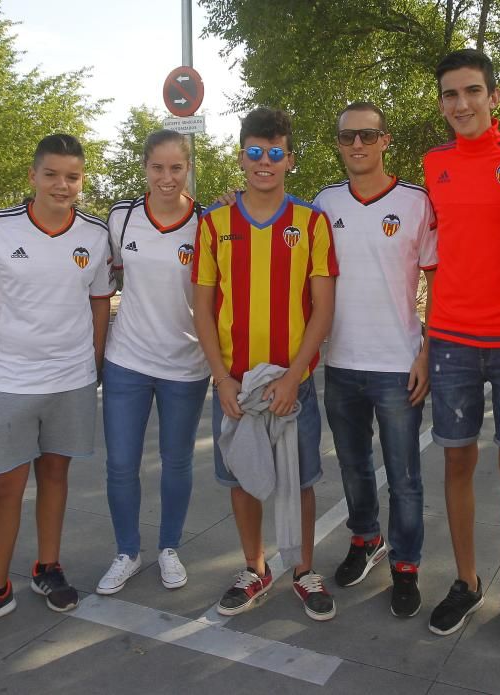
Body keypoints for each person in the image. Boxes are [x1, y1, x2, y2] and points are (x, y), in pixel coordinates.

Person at [0, 134, 114, 642]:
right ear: (34, 176)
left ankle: (48, 567)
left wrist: (97, 361)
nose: (63, 185)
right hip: (14, 382)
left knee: (55, 476)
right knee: (6, 487)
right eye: (53, 174)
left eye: (73, 176)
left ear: (82, 180)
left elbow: (100, 301)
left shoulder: (95, 234)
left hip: (72, 380)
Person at [191, 107, 339, 621]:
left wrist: (295, 377)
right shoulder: (213, 223)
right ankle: (255, 568)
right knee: (240, 478)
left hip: (290, 382)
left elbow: (323, 308)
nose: (264, 162)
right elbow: (203, 308)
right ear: (241, 156)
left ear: (289, 160)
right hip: (235, 383)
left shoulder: (311, 222)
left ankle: (303, 570)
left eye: (275, 153)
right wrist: (222, 378)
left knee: (299, 480)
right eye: (255, 151)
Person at [422, 48, 500, 652]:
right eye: (450, 94)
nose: (461, 104)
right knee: (456, 463)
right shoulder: (432, 163)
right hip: (450, 341)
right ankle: (467, 581)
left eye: (472, 91)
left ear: (495, 97)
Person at [312, 102, 437, 617]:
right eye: (347, 137)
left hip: (398, 362)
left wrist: (428, 352)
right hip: (340, 363)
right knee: (354, 466)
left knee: (405, 476)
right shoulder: (323, 203)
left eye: (367, 136)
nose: (356, 145)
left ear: (386, 141)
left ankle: (405, 565)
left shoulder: (415, 203)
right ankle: (366, 540)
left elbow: (439, 280)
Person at [95, 130, 210, 595]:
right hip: (127, 361)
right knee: (121, 463)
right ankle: (127, 550)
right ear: (144, 167)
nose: (166, 177)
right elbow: (103, 280)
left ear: (188, 170)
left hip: (186, 364)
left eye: (176, 168)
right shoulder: (121, 219)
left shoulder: (207, 223)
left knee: (176, 461)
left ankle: (168, 548)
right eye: (158, 167)